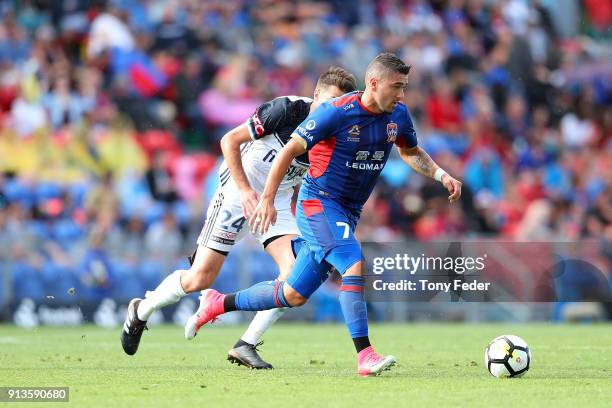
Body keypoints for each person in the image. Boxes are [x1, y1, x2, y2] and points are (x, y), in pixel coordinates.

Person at [184, 53, 463, 377]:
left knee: (293, 293)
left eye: (404, 87)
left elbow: (410, 151)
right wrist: (268, 199)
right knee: (353, 263)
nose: (402, 94)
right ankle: (365, 355)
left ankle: (218, 303)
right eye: (396, 86)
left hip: (348, 211)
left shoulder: (397, 115)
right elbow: (289, 150)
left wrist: (441, 174)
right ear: (373, 83)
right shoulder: (336, 113)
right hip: (318, 205)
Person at [121, 66, 358, 369]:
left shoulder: (334, 135)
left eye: (340, 104)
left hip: (277, 200)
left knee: (294, 280)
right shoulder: (285, 110)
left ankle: (246, 344)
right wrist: (246, 191)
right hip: (238, 191)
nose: (332, 110)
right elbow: (228, 141)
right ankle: (142, 309)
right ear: (315, 95)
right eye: (329, 101)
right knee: (200, 278)